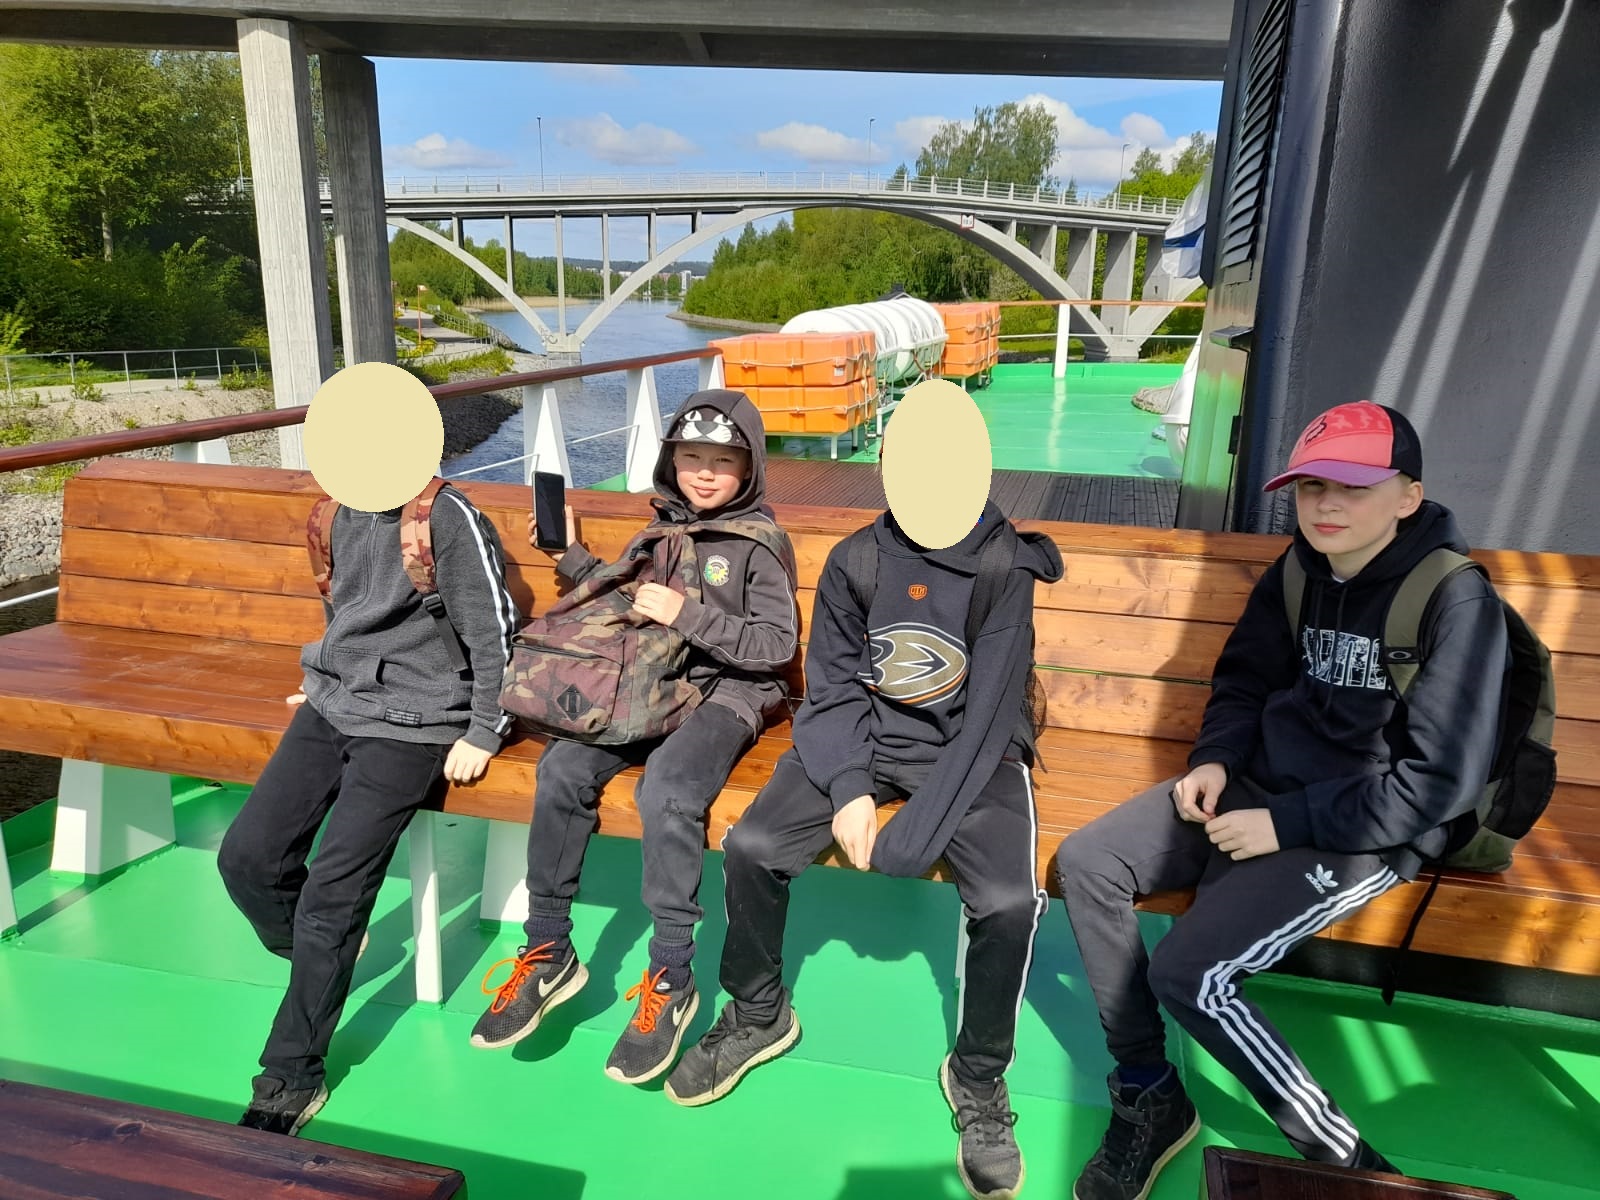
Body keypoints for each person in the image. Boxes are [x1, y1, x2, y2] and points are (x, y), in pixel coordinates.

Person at [1057, 401, 1509, 1199]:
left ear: (1408, 496)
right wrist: (1216, 759)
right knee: (1088, 861)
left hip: (1370, 823)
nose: (1326, 505)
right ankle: (1150, 1092)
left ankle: (1353, 1169)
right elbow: (1244, 680)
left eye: (1353, 487)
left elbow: (1439, 783)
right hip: (1257, 791)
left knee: (1191, 974)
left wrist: (1284, 823)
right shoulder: (1299, 570)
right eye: (1310, 487)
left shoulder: (1454, 600)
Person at [666, 385, 1064, 1200]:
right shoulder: (858, 561)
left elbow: (990, 717)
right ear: (886, 464)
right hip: (868, 739)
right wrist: (850, 788)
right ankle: (758, 1013)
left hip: (973, 751)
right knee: (752, 846)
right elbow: (834, 689)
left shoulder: (1003, 565)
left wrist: (913, 836)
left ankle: (978, 1074)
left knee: (1008, 902)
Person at [470, 389, 799, 1088]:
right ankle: (548, 947)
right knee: (561, 770)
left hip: (730, 689)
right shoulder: (661, 530)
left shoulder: (758, 545)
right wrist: (570, 558)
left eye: (723, 461)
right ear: (670, 460)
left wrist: (689, 616)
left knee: (668, 789)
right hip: (653, 681)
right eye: (691, 457)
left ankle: (671, 974)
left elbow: (776, 646)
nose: (704, 473)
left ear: (750, 467)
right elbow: (628, 605)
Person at [219, 473, 519, 1136]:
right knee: (246, 859)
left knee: (333, 896)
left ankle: (291, 1074)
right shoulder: (334, 511)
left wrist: (484, 729)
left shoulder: (444, 517)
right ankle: (322, 953)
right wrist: (325, 676)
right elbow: (343, 608)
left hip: (416, 721)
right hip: (336, 702)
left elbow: (494, 627)